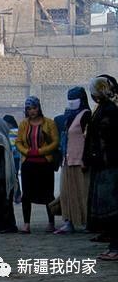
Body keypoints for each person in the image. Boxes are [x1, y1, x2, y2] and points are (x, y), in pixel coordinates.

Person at [84, 75, 118, 261]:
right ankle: (112, 245)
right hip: (102, 164)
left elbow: (107, 137)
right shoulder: (102, 109)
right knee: (107, 207)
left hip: (110, 164)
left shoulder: (110, 110)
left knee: (113, 207)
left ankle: (115, 247)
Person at [15, 96, 59, 234]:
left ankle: (51, 223)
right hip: (28, 164)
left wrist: (40, 151)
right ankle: (26, 224)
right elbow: (18, 142)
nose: (32, 111)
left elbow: (55, 142)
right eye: (29, 109)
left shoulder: (49, 123)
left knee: (48, 194)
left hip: (45, 164)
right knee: (26, 194)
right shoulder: (23, 124)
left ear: (39, 108)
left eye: (34, 108)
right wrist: (27, 152)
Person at [54, 87, 91, 235]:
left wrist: (85, 159)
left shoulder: (86, 115)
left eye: (74, 99)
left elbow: (88, 139)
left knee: (82, 193)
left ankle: (87, 221)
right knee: (67, 193)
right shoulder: (68, 115)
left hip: (80, 160)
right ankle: (69, 221)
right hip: (67, 160)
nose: (71, 102)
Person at [2, 115, 21, 204]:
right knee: (14, 176)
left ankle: (15, 195)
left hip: (13, 157)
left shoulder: (14, 131)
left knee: (12, 176)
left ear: (9, 123)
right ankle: (16, 195)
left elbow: (14, 145)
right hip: (13, 157)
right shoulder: (7, 132)